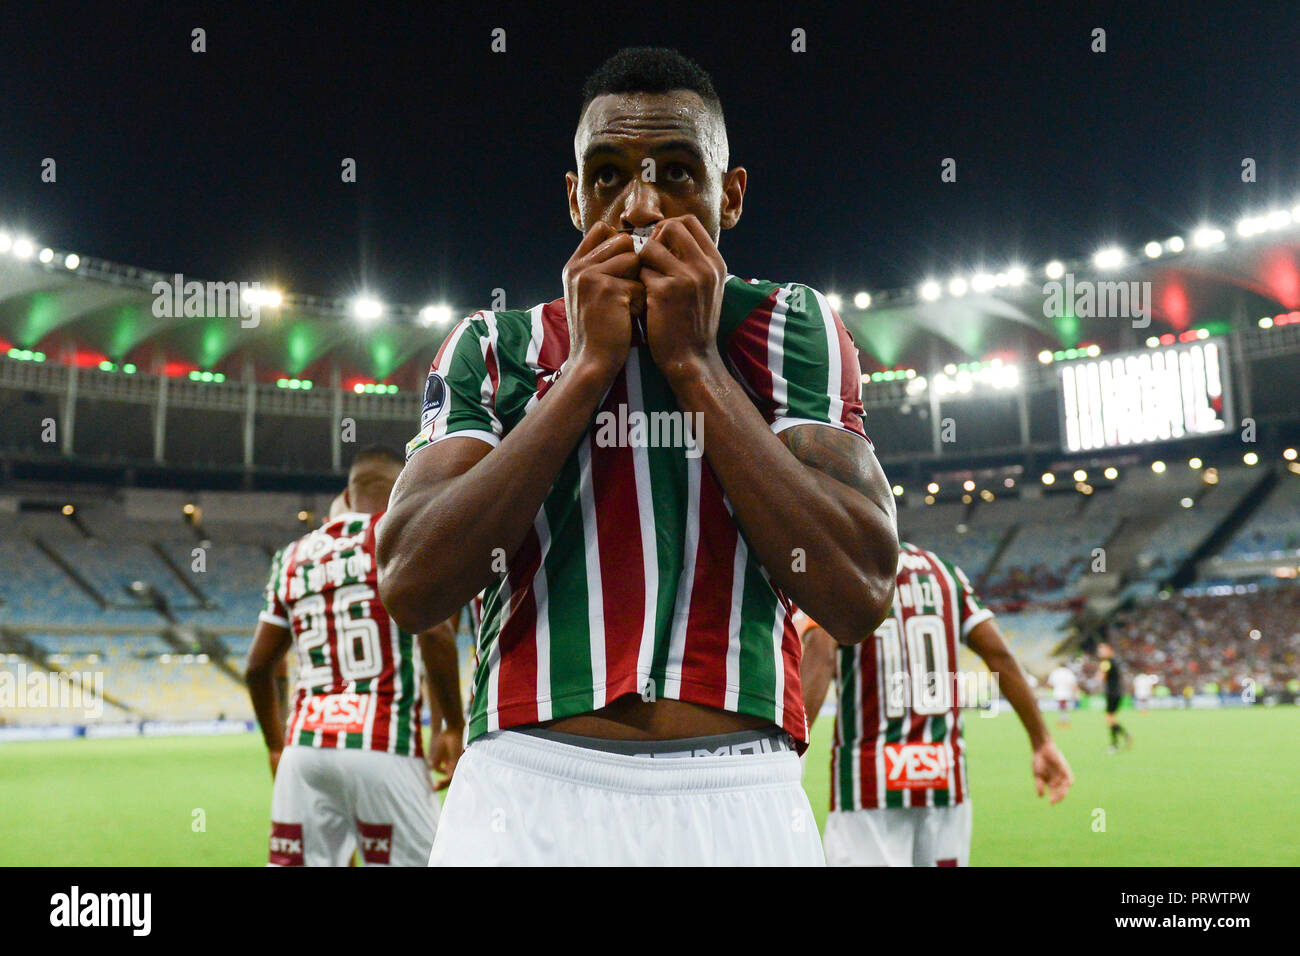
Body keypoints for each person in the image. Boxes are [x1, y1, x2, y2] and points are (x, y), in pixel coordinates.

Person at [376, 47, 899, 866]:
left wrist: (694, 364)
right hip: (524, 790)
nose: (640, 205)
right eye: (609, 175)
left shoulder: (791, 326)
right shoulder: (495, 344)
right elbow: (411, 582)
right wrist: (585, 371)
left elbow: (859, 590)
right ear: (576, 198)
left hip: (738, 793)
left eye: (679, 174)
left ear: (731, 196)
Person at [246, 445, 464, 866]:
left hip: (304, 750)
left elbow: (257, 668)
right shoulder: (399, 537)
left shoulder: (291, 556)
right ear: (404, 488)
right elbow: (436, 634)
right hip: (383, 743)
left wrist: (276, 747)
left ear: (348, 493)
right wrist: (452, 726)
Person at [800, 543, 1074, 866]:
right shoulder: (945, 574)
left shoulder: (843, 571)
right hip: (943, 775)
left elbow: (821, 654)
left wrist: (794, 751)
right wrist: (1041, 740)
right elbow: (999, 654)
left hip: (869, 783)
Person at [1097, 642, 1132, 752]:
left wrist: (1100, 672)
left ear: (1109, 650)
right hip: (1117, 692)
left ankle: (1117, 742)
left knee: (1110, 718)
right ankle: (1122, 737)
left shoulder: (1106, 663)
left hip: (1112, 693)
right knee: (1111, 718)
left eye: (1102, 649)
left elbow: (1101, 677)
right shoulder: (1115, 661)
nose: (1100, 652)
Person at [1047, 661, 1079, 726]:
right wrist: (1075, 692)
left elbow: (1050, 684)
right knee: (1063, 706)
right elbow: (1073, 683)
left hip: (1058, 691)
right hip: (1067, 692)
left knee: (1062, 706)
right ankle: (1064, 720)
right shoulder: (1068, 672)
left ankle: (1064, 720)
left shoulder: (1055, 672)